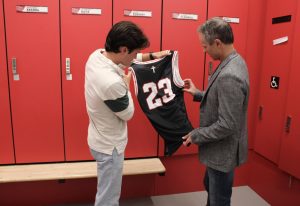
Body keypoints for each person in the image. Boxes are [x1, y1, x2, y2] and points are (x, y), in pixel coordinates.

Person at [84, 21, 169, 206]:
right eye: (133, 52)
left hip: (98, 138)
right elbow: (128, 113)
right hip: (110, 147)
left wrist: (154, 56)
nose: (134, 56)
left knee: (105, 190)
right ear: (123, 49)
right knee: (108, 198)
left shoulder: (97, 55)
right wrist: (126, 85)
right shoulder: (111, 82)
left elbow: (130, 58)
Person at [182, 17, 250, 206]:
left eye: (205, 46)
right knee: (211, 188)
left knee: (219, 198)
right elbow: (223, 100)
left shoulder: (230, 74)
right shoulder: (234, 60)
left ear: (218, 43)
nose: (204, 51)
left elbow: (227, 124)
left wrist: (197, 135)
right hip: (219, 150)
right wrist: (198, 94)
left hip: (222, 152)